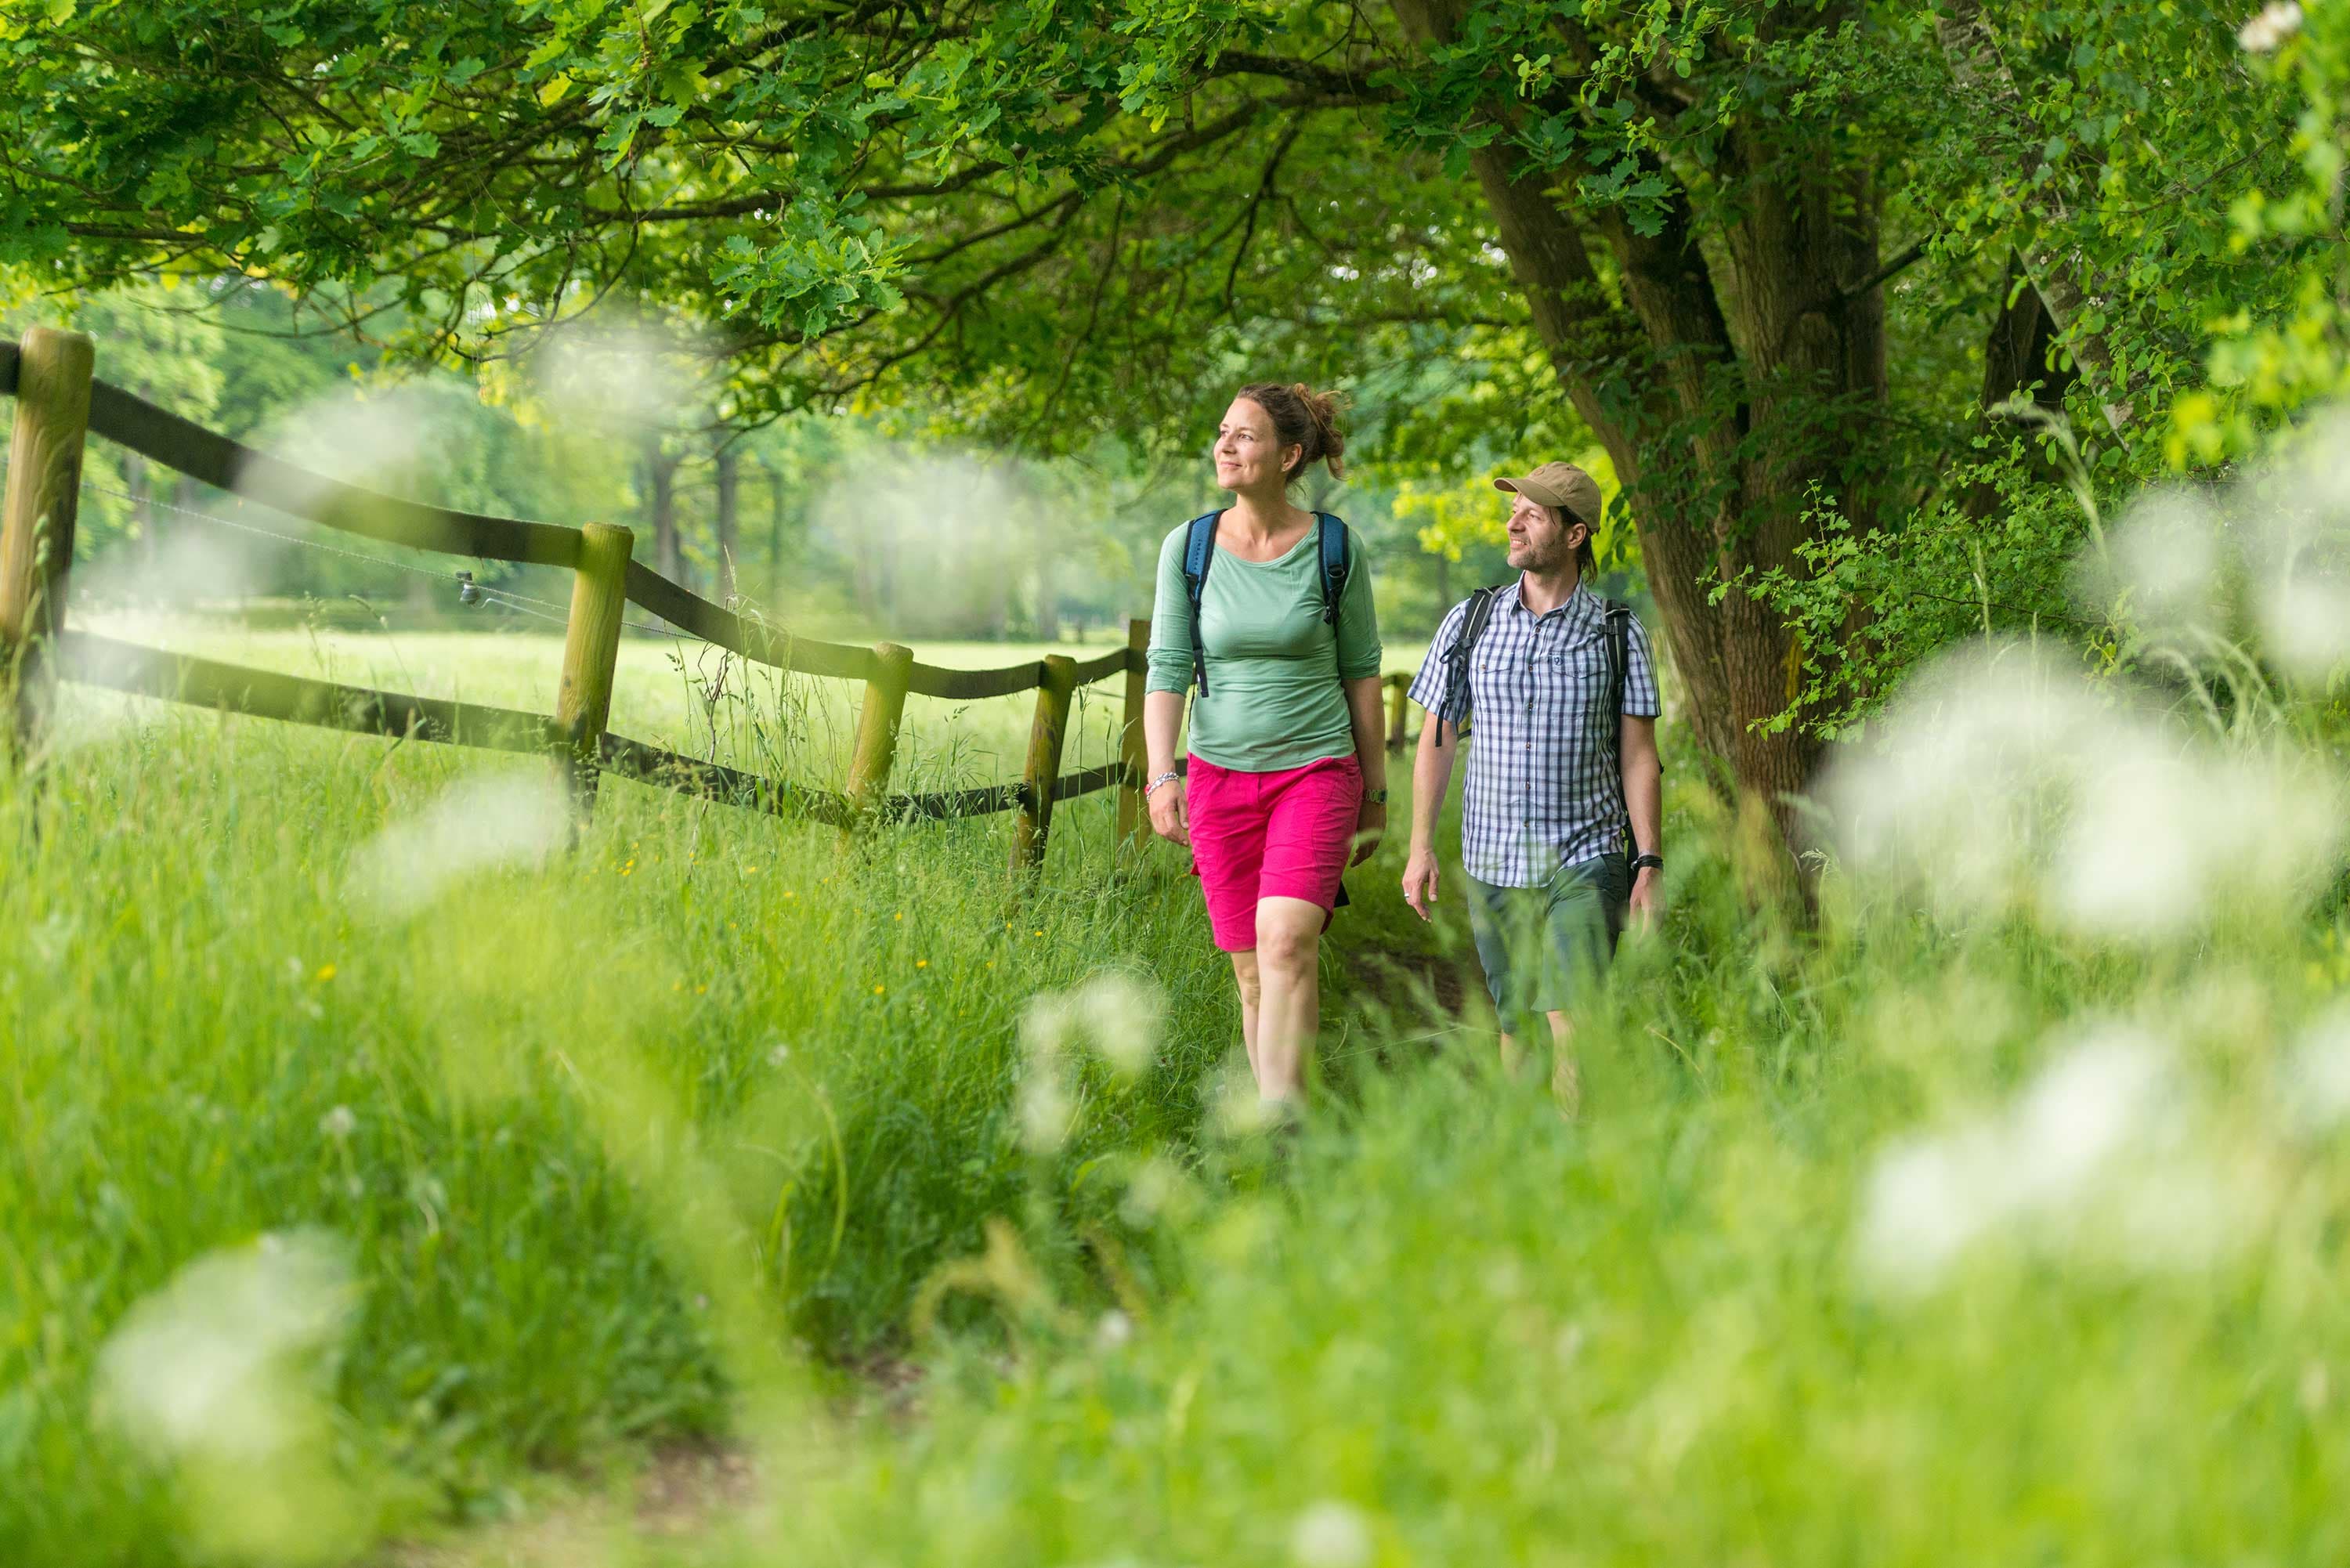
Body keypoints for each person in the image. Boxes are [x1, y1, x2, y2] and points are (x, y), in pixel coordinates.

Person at [1142, 383, 1387, 1115]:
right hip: (1218, 780)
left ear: (1289, 455)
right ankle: (1282, 1123)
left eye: (1245, 436)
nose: (1225, 445)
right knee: (1252, 973)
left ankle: (1285, 1128)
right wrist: (1162, 776)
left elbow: (1362, 674)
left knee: (1285, 943)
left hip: (1314, 772)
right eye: (1223, 432)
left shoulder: (1335, 548)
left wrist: (1375, 793)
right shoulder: (1188, 549)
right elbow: (1166, 669)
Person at [1399, 462, 1663, 1118]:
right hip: (1493, 859)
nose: (1512, 522)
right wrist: (1420, 846)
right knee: (1515, 1021)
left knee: (1570, 1017)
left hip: (1587, 855)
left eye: (1532, 514)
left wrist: (1649, 860)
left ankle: (1575, 1158)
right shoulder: (1471, 622)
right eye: (1513, 509)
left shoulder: (1617, 632)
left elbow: (1638, 756)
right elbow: (1438, 739)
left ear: (1575, 536)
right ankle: (1520, 1160)